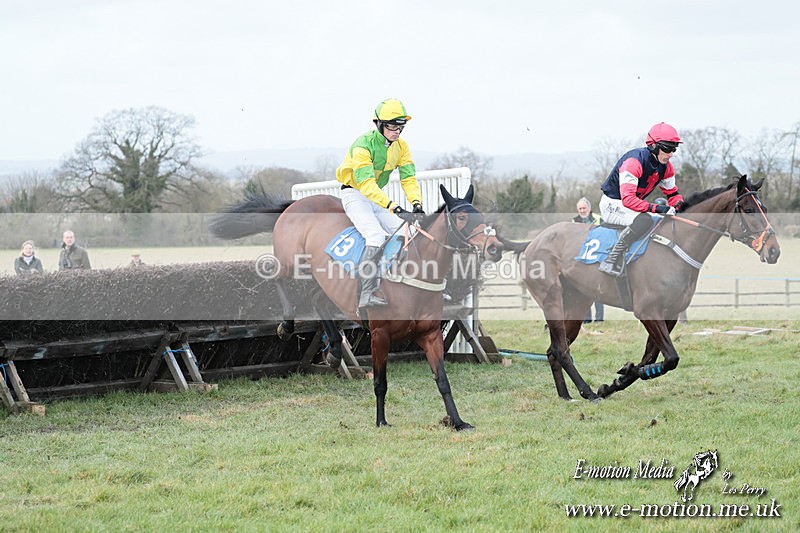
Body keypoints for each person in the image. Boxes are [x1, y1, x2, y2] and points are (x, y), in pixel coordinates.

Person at [336, 98, 424, 312]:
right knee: (375, 235)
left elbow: (408, 179)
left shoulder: (402, 147)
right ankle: (366, 293)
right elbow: (366, 185)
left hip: (375, 196)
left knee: (409, 231)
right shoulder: (362, 145)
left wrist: (416, 203)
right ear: (379, 124)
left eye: (401, 126)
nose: (397, 131)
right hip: (355, 194)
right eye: (392, 125)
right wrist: (394, 206)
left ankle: (410, 284)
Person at [598, 122, 685, 277]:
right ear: (653, 146)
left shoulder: (667, 167)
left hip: (630, 204)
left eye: (674, 148)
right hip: (613, 203)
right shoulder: (634, 162)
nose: (671, 153)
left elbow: (673, 195)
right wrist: (657, 208)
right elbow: (628, 200)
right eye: (667, 148)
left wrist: (679, 207)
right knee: (644, 220)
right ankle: (611, 260)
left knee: (661, 220)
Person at [572, 198, 604, 322]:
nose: (582, 210)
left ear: (589, 209)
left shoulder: (598, 218)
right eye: (580, 208)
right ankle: (586, 318)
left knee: (598, 288)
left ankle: (599, 319)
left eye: (584, 208)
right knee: (584, 288)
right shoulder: (574, 221)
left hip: (598, 255)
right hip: (583, 256)